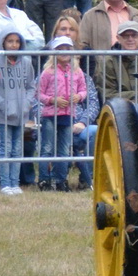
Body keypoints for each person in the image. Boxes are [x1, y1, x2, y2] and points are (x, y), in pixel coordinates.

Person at [0, 28, 37, 195]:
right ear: (3, 43)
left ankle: (15, 182)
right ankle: (5, 183)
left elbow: (31, 86)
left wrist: (26, 103)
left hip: (21, 114)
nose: (14, 45)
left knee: (18, 148)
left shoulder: (26, 62)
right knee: (5, 148)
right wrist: (3, 105)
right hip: (3, 114)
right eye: (10, 41)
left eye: (17, 41)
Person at [36, 36, 87, 191]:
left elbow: (83, 90)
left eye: (67, 49)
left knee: (64, 148)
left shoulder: (77, 72)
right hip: (50, 115)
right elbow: (38, 94)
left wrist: (79, 96)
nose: (64, 52)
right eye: (60, 49)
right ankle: (44, 179)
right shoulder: (48, 72)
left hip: (68, 114)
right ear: (54, 53)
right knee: (47, 148)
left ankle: (60, 179)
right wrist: (52, 100)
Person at [97, 19, 138, 103]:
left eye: (134, 35)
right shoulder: (109, 61)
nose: (130, 39)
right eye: (125, 36)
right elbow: (107, 94)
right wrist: (137, 96)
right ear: (118, 38)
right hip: (120, 107)